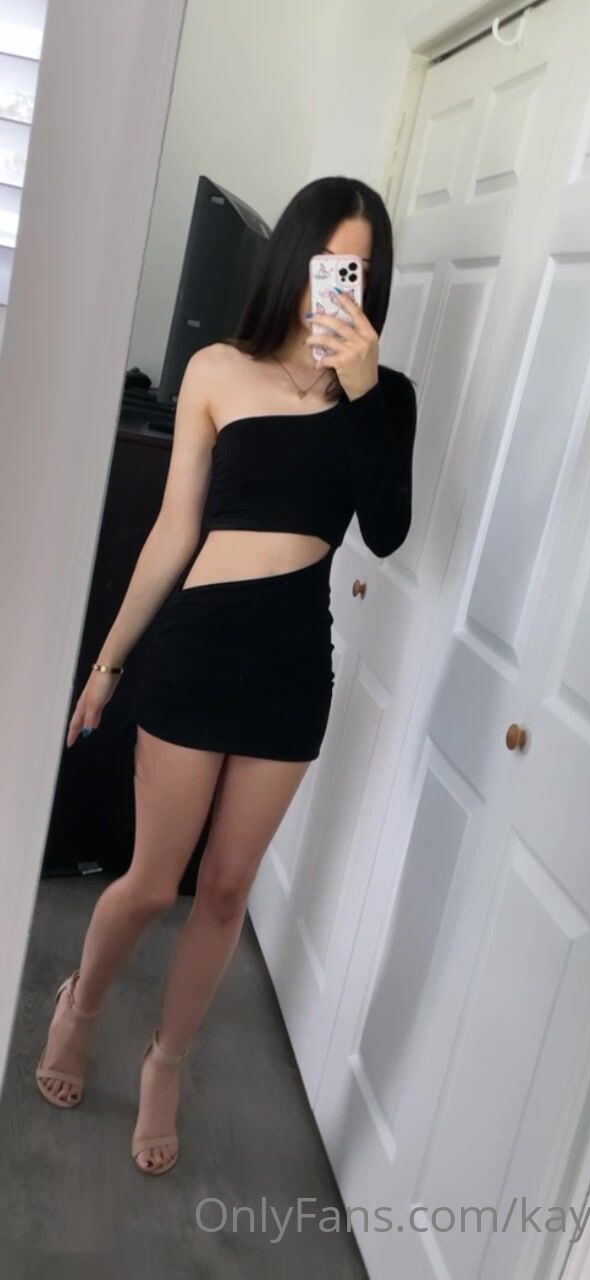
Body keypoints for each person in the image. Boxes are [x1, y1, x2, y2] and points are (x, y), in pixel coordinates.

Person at [34, 175, 418, 1176]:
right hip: (200, 644)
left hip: (292, 665)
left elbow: (386, 531)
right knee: (148, 883)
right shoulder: (217, 368)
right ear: (293, 257)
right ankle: (80, 1004)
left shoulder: (387, 397)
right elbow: (175, 529)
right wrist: (108, 659)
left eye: (360, 270)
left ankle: (166, 1061)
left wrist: (363, 389)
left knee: (225, 887)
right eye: (330, 262)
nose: (341, 284)